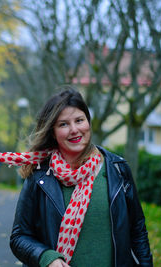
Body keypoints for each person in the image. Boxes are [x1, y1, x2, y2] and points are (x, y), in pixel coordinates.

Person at [9, 86, 153, 267]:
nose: (74, 130)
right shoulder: (40, 176)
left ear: (89, 122)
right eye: (63, 124)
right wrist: (47, 257)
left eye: (79, 120)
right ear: (53, 132)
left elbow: (138, 230)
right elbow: (19, 237)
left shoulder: (117, 169)